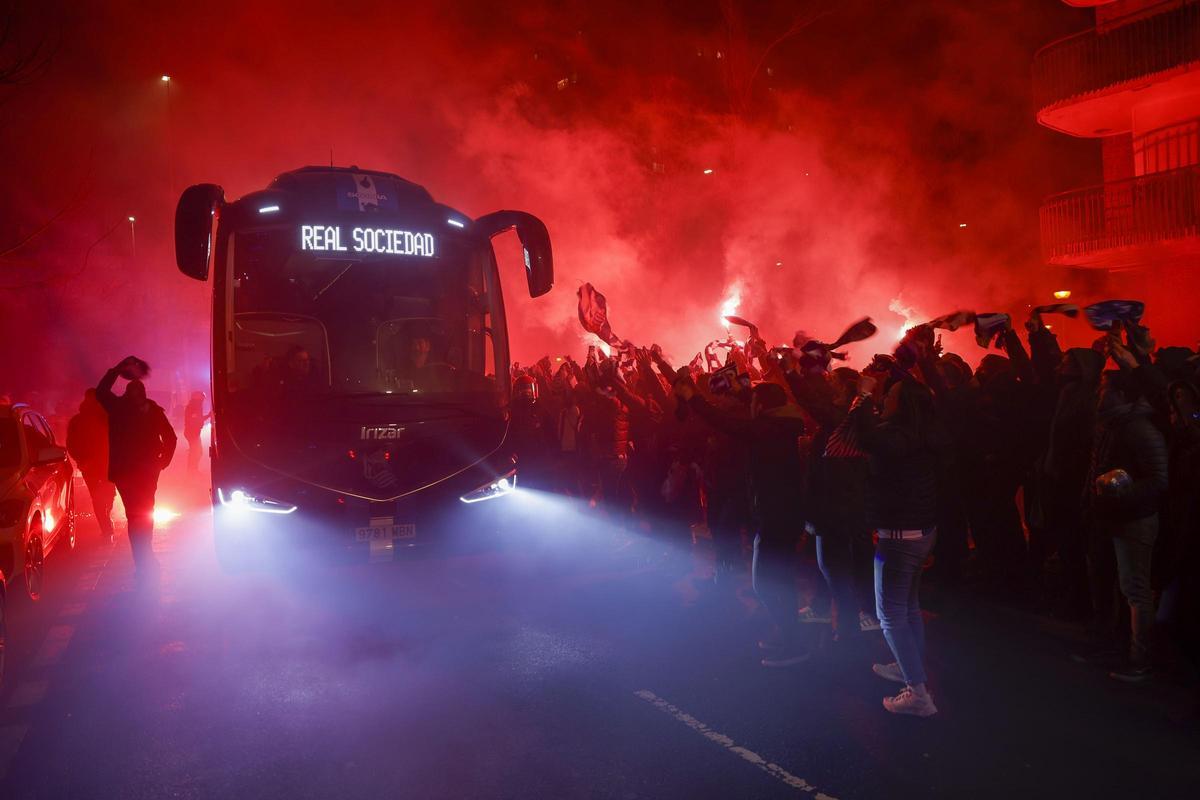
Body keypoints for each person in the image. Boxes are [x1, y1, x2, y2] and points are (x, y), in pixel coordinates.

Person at [675, 377, 810, 668]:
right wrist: (741, 389)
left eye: (752, 401)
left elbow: (726, 423)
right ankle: (788, 635)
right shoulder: (781, 423)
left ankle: (794, 644)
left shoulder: (767, 430)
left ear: (760, 406)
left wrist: (692, 396)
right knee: (776, 579)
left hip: (777, 515)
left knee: (767, 582)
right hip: (782, 513)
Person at [852, 374, 949, 716]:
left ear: (903, 404)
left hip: (899, 537)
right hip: (921, 531)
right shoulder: (926, 433)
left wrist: (861, 397)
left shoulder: (894, 438)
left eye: (890, 394)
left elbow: (863, 437)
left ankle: (918, 694)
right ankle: (907, 666)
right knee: (908, 607)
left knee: (889, 615)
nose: (885, 397)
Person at [96, 357, 178, 574]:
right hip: (147, 471)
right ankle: (145, 554)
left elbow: (101, 391)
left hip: (126, 472)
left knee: (135, 514)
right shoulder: (152, 410)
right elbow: (170, 438)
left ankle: (142, 557)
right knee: (145, 512)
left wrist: (116, 370)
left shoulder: (117, 408)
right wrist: (163, 461)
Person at [66, 389, 116, 543]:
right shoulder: (106, 417)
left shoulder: (102, 418)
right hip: (103, 463)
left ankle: (105, 523)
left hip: (95, 464)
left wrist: (81, 461)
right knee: (105, 494)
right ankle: (106, 523)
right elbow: (71, 443)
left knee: (99, 496)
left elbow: (71, 444)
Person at [183, 391, 210, 474]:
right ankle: (192, 470)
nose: (202, 401)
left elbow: (197, 419)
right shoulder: (193, 407)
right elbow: (196, 420)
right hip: (192, 432)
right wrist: (208, 416)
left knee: (196, 451)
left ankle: (192, 469)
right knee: (197, 451)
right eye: (201, 399)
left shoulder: (195, 407)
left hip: (193, 432)